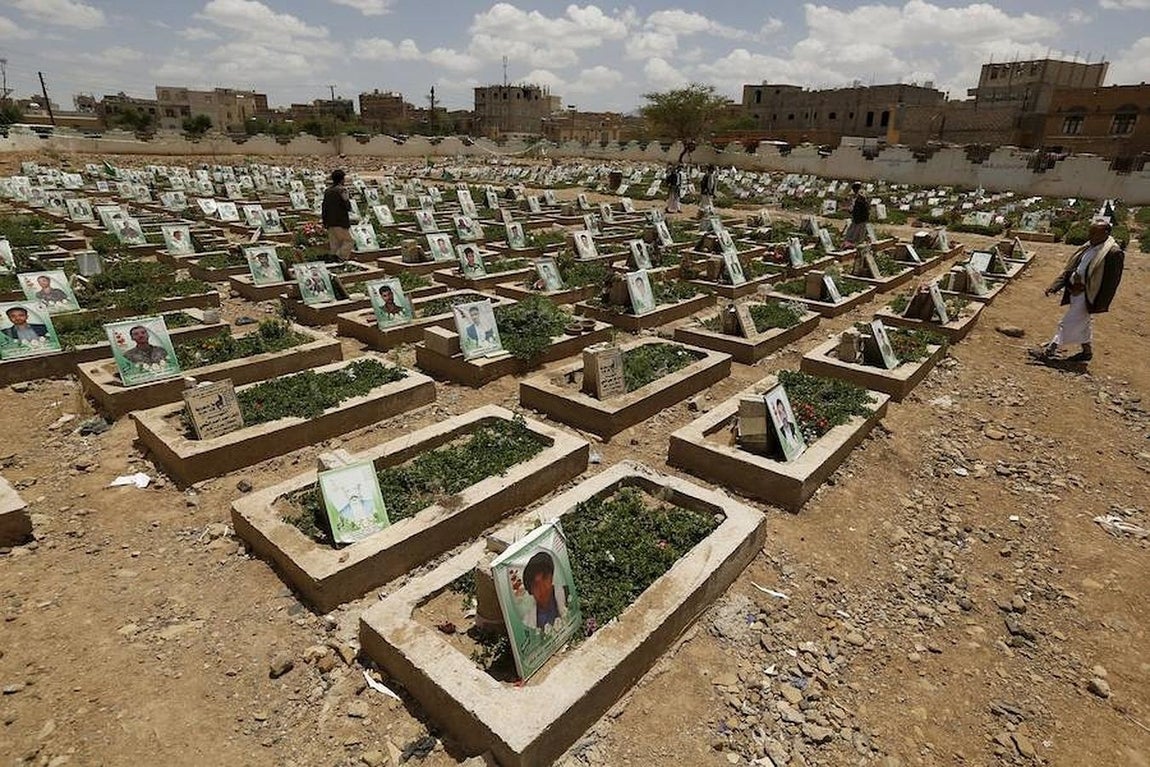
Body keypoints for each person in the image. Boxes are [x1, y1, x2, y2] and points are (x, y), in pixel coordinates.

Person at [1031, 218, 1124, 364]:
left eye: (1095, 233)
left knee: (1067, 322)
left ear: (1106, 233)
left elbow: (1111, 282)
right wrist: (1055, 286)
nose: (1090, 236)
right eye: (1090, 232)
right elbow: (1072, 269)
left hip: (1089, 295)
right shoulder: (1088, 246)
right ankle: (1086, 352)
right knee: (1082, 323)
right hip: (1075, 291)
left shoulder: (1113, 252)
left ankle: (1049, 350)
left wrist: (1097, 303)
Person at [521, 550, 566, 631]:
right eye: (536, 585)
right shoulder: (528, 621)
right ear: (531, 591)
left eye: (545, 578)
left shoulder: (567, 594)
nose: (542, 588)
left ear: (551, 578)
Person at [321, 169, 353, 259]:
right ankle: (339, 257)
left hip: (330, 222)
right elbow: (347, 205)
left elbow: (324, 206)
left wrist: (324, 221)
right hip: (340, 222)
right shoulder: (342, 190)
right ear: (342, 179)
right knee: (348, 241)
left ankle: (334, 263)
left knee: (335, 245)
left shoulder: (327, 191)